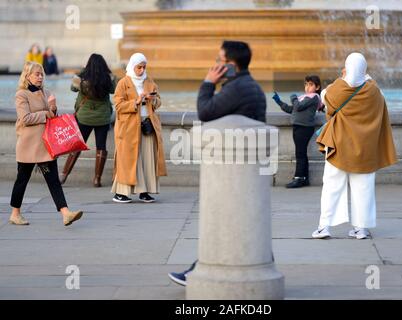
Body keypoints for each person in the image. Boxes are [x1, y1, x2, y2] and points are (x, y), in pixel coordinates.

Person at [169, 40, 267, 286]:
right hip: (247, 169)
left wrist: (207, 83)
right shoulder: (251, 86)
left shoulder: (237, 88)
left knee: (223, 225)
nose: (215, 65)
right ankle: (258, 264)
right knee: (242, 227)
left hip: (232, 170)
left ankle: (201, 270)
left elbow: (205, 111)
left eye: (219, 61)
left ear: (230, 65)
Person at [312, 52, 397, 240]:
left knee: (332, 186)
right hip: (365, 148)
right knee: (364, 188)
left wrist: (342, 78)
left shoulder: (339, 88)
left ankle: (324, 227)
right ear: (364, 69)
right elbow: (382, 102)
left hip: (338, 146)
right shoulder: (374, 91)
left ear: (347, 68)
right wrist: (367, 77)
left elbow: (325, 99)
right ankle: (361, 228)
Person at [9, 61, 83, 226]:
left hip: (45, 146)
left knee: (53, 180)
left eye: (41, 74)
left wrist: (54, 108)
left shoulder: (46, 92)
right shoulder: (21, 94)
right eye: (37, 74)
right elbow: (25, 119)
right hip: (28, 146)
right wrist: (46, 113)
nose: (40, 77)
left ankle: (65, 213)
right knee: (22, 179)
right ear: (27, 76)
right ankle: (15, 213)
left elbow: (53, 117)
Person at [111, 52, 167, 203]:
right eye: (139, 67)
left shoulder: (149, 81)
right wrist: (136, 102)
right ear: (132, 66)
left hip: (147, 125)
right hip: (128, 127)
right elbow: (117, 105)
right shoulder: (123, 82)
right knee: (127, 159)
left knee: (147, 158)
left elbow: (158, 102)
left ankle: (145, 191)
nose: (141, 70)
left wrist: (153, 99)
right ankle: (122, 193)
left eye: (144, 67)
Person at [59, 53, 117, 187]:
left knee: (78, 145)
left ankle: (63, 175)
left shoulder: (81, 78)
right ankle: (97, 179)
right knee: (101, 147)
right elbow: (114, 90)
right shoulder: (109, 78)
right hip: (102, 118)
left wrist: (83, 71)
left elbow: (73, 88)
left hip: (84, 117)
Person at [272, 75, 323, 188]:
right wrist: (279, 101)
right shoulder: (304, 98)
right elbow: (291, 109)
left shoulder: (314, 98)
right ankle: (304, 178)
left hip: (304, 127)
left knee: (299, 154)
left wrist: (294, 97)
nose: (307, 87)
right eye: (306, 84)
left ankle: (298, 178)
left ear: (317, 87)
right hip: (299, 127)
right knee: (302, 153)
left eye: (310, 85)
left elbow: (298, 106)